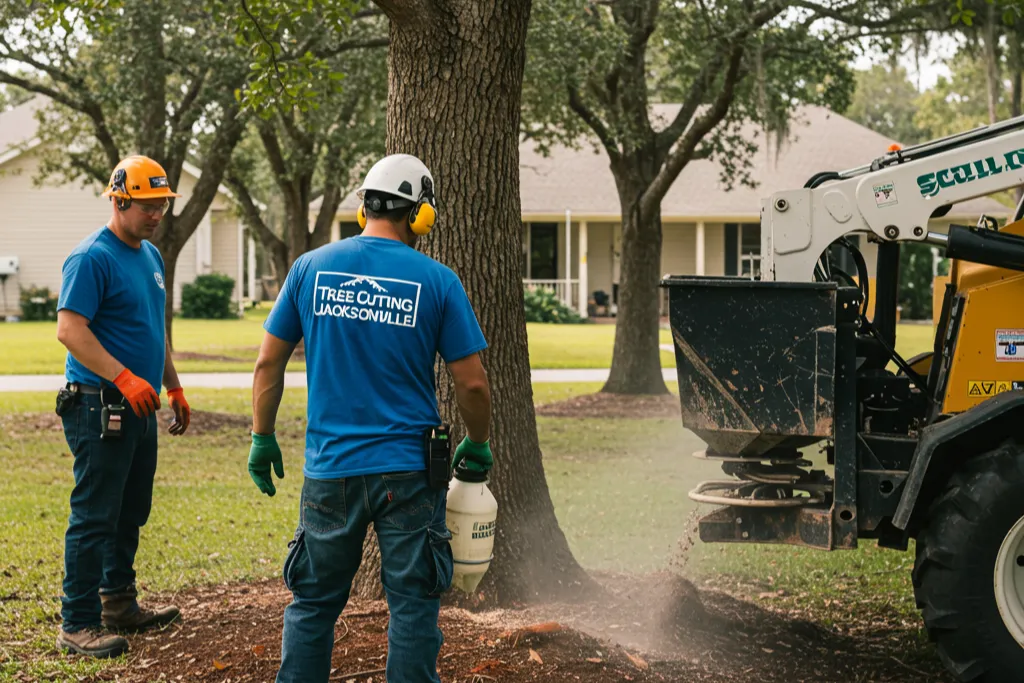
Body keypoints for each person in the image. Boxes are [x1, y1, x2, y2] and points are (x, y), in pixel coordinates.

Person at [247, 153, 494, 683]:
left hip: (330, 469)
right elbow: (471, 382)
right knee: (412, 603)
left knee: (312, 602)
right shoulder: (439, 280)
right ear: (420, 214)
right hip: (409, 473)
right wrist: (477, 441)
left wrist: (262, 437)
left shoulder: (309, 268)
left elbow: (269, 361)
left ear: (363, 208)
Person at [54, 155, 192, 658]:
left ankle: (118, 602)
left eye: (161, 205)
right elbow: (70, 330)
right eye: (147, 206)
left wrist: (172, 386)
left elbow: (152, 332)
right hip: (98, 405)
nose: (155, 214)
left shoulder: (150, 256)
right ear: (119, 200)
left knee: (130, 510)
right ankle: (77, 622)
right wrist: (124, 377)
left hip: (138, 403)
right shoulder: (92, 257)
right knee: (95, 514)